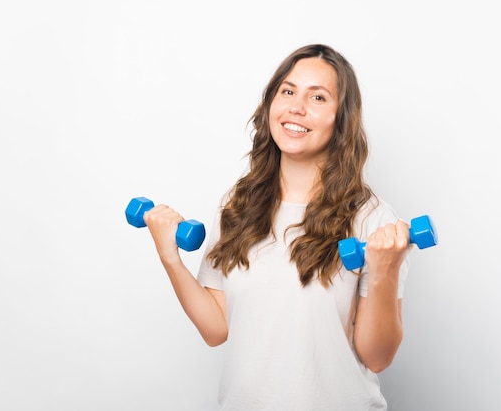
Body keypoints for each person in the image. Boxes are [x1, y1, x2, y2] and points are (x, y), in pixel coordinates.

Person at [143, 43, 412, 411]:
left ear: (341, 118)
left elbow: (377, 357)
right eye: (288, 91)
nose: (296, 107)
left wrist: (385, 272)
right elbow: (216, 329)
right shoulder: (239, 203)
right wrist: (169, 257)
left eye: (317, 97)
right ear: (271, 103)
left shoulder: (371, 218)